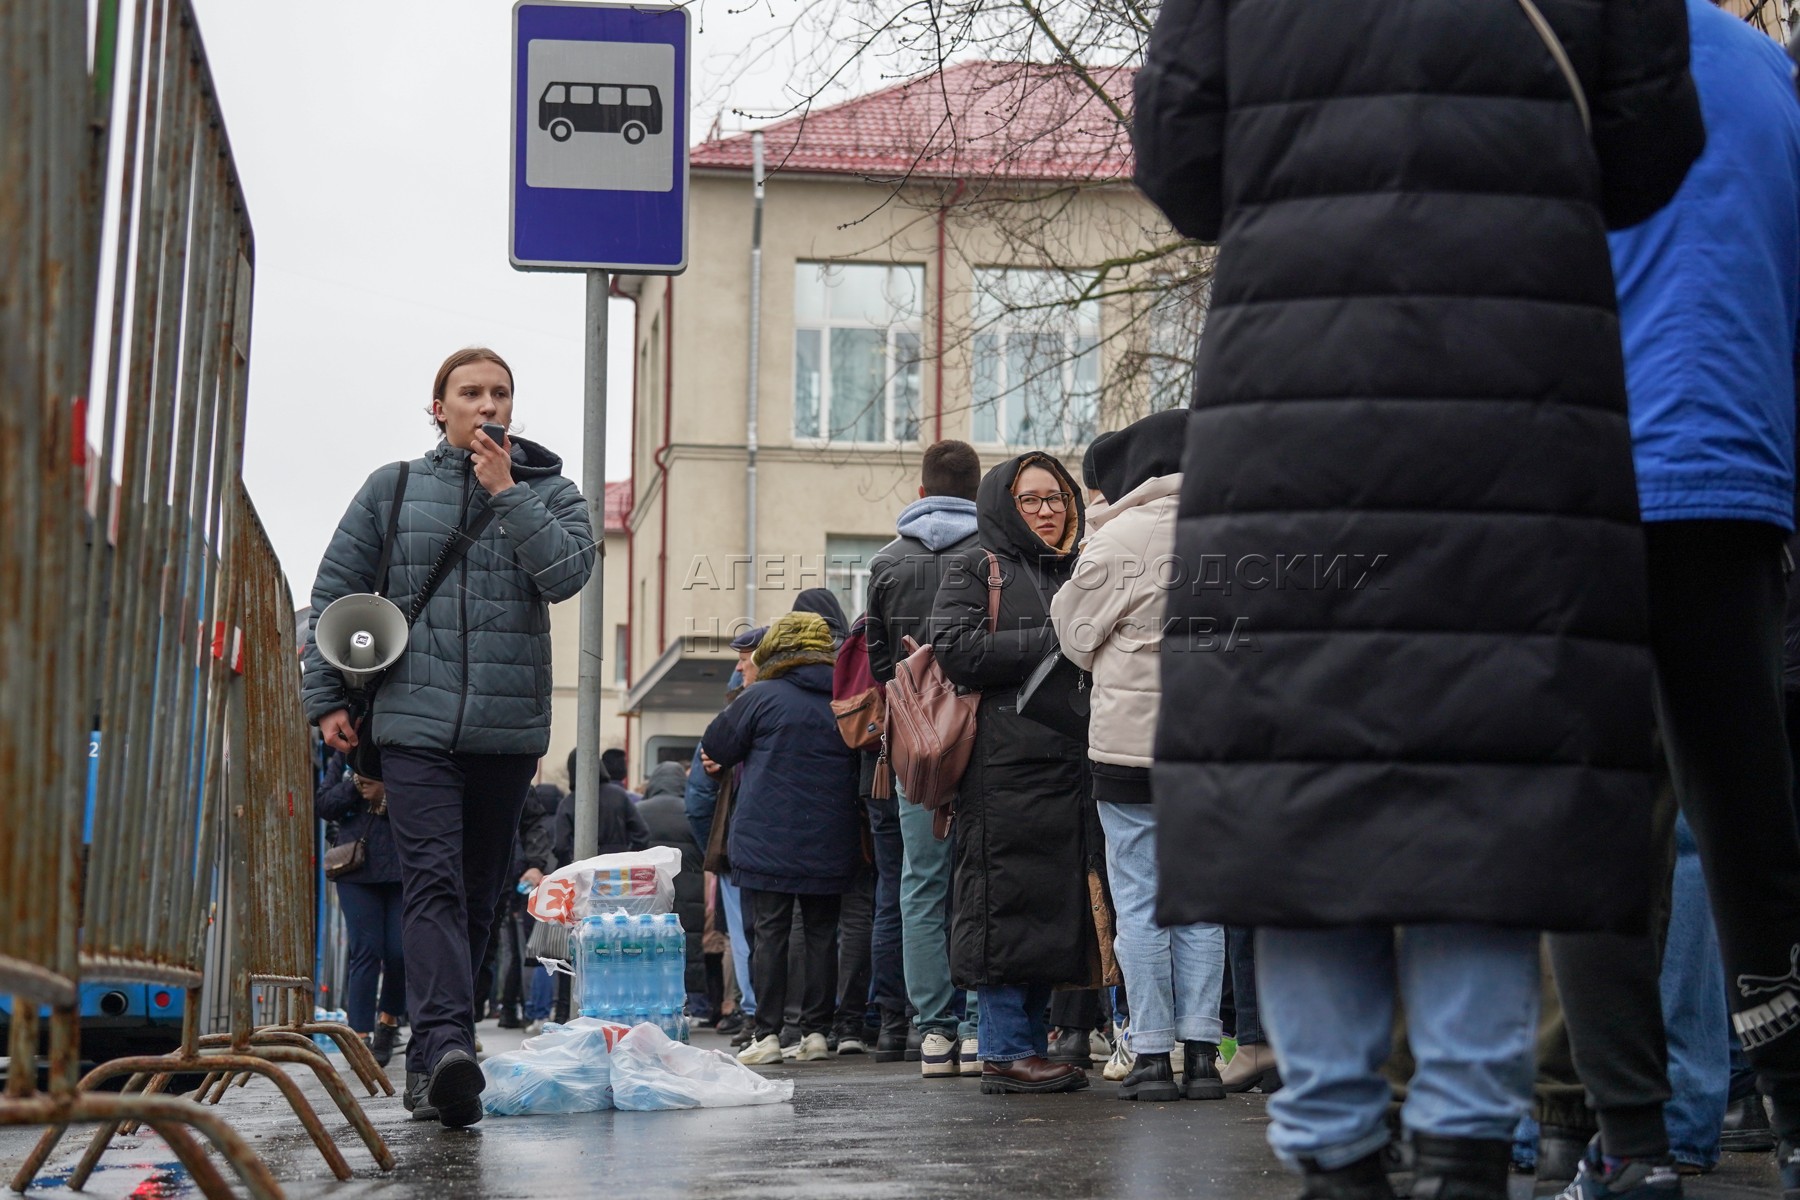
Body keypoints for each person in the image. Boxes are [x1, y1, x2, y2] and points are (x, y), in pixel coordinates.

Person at [1134, 0, 1702, 1193]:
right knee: (1488, 780)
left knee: (1300, 780)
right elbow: (1650, 148)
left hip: (1290, 412)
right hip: (1520, 403)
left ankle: (1335, 1151)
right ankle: (1465, 1146)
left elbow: (1181, 164)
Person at [1540, 5, 1800, 1197]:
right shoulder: (1766, 69)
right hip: (1737, 475)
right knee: (1749, 819)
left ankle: (1630, 1148)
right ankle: (1795, 1115)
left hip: (1581, 474)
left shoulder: (1539, 47)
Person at [303, 346, 595, 1127]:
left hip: (507, 728)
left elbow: (567, 576)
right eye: (470, 392)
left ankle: (436, 1062)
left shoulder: (551, 492)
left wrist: (507, 492)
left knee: (474, 892)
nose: (486, 404)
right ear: (439, 407)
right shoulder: (393, 489)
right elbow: (337, 592)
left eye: (500, 392)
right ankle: (447, 1040)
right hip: (413, 723)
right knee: (430, 878)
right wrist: (325, 696)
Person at [1051, 410, 1226, 1104]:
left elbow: (1072, 633)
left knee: (1141, 901)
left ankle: (1152, 1054)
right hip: (1212, 749)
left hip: (1129, 751)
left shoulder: (1119, 537)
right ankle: (1206, 1056)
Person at [930, 451, 1096, 1095]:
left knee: (1048, 914)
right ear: (1004, 505)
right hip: (1001, 772)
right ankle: (1002, 1049)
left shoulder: (1078, 566)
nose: (1049, 512)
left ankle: (1025, 1047)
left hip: (1066, 766)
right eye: (1032, 500)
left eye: (1057, 498)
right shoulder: (980, 565)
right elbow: (958, 650)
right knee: (1003, 909)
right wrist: (1057, 638)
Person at [865, 438, 984, 1078]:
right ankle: (973, 1027)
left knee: (921, 882)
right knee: (978, 879)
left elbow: (882, 663)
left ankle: (933, 1032)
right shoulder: (991, 555)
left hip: (914, 743)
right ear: (979, 492)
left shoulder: (886, 562)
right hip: (983, 736)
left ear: (920, 492)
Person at [701, 613, 861, 1066]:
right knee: (822, 935)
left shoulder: (761, 697)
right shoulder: (842, 694)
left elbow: (718, 743)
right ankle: (816, 1032)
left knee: (769, 935)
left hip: (765, 840)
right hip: (833, 836)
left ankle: (767, 1033)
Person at [686, 626, 767, 1046]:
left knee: (745, 932)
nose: (738, 666)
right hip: (799, 846)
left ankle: (755, 1014)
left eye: (743, 660)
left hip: (741, 848)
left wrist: (714, 853)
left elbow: (698, 799)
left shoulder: (730, 726)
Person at [313, 754, 406, 1068]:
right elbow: (324, 804)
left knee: (399, 952)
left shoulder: (406, 751)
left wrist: (386, 792)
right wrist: (354, 785)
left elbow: (426, 802)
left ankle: (388, 1023)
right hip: (356, 868)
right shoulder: (346, 757)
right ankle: (360, 1035)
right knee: (365, 949)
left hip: (403, 867)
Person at [639, 760, 707, 1012]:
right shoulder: (692, 810)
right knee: (688, 944)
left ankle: (655, 1001)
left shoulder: (639, 809)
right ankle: (694, 1004)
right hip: (691, 889)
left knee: (652, 945)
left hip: (652, 892)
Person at [553, 746, 648, 865]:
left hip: (584, 867)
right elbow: (642, 833)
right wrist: (629, 857)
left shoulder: (569, 803)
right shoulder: (618, 795)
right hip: (617, 865)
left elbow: (560, 846)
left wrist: (571, 866)